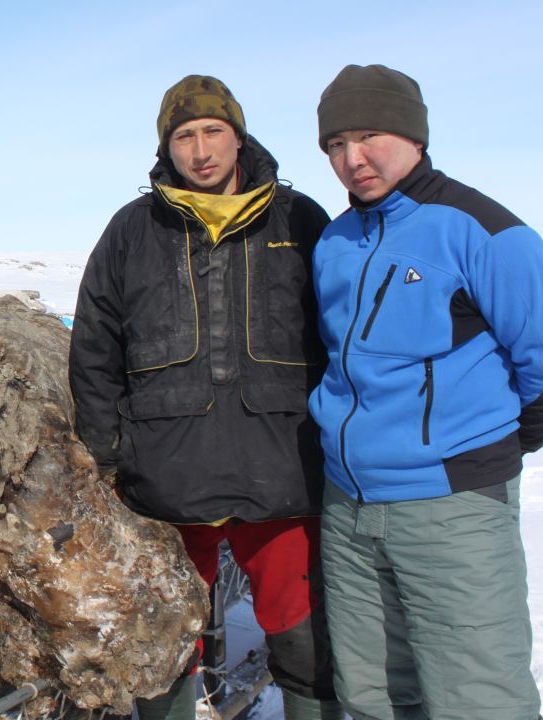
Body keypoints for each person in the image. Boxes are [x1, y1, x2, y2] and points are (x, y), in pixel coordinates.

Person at [69, 75, 343, 719]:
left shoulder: (300, 219)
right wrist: (104, 456)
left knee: (305, 637)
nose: (200, 150)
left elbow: (339, 337)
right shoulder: (131, 231)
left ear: (238, 137)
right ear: (168, 149)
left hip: (283, 470)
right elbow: (95, 349)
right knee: (161, 639)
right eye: (184, 136)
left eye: (213, 131)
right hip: (165, 480)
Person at [310, 64, 543, 720]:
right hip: (348, 507)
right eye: (335, 144)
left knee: (476, 698)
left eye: (369, 136)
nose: (352, 159)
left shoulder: (484, 230)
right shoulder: (335, 241)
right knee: (373, 696)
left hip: (451, 509)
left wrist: (474, 451)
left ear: (414, 136)